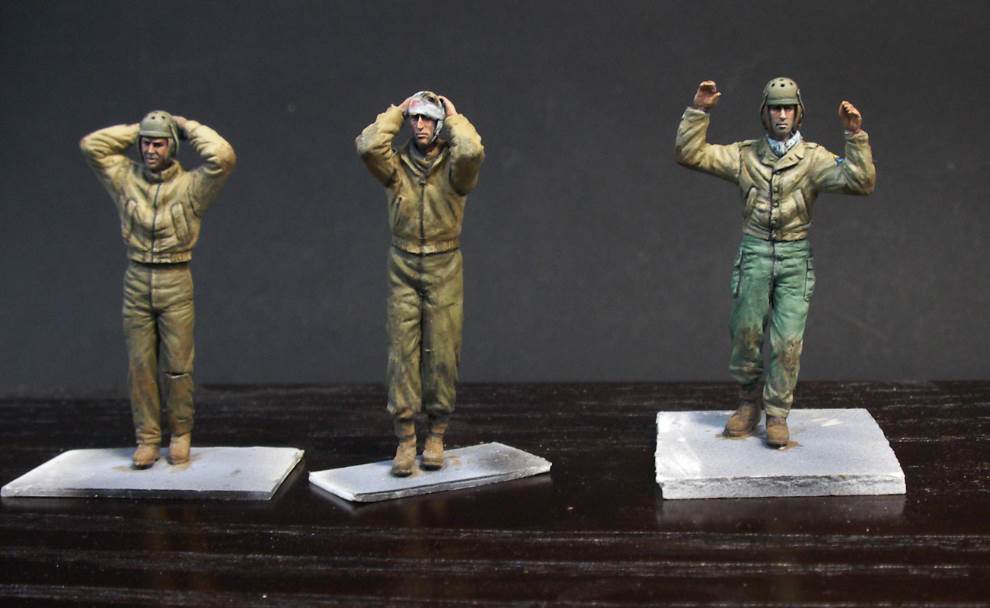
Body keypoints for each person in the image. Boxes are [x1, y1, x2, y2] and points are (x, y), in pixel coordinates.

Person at [674, 77, 876, 447]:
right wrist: (698, 111)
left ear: (799, 113)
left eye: (788, 108)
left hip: (794, 256)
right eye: (775, 108)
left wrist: (855, 135)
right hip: (754, 253)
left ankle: (778, 412)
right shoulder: (745, 155)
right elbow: (691, 154)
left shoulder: (812, 159)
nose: (781, 115)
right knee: (746, 332)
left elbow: (861, 181)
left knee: (788, 342)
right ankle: (748, 402)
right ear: (764, 114)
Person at [80, 111, 236, 468]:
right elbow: (92, 146)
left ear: (172, 146)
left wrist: (186, 127)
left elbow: (223, 156)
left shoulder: (192, 185)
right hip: (137, 279)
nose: (150, 150)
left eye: (159, 143)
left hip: (175, 279)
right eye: (146, 143)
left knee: (178, 367)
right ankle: (147, 438)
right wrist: (139, 128)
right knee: (140, 366)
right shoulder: (124, 178)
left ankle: (180, 434)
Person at [356, 91, 485, 476]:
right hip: (404, 265)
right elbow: (368, 147)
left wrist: (455, 117)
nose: (420, 125)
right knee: (402, 353)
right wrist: (397, 112)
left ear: (439, 123)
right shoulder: (395, 167)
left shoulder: (455, 169)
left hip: (445, 265)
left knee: (442, 352)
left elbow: (472, 151)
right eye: (415, 119)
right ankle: (405, 439)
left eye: (428, 118)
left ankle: (436, 434)